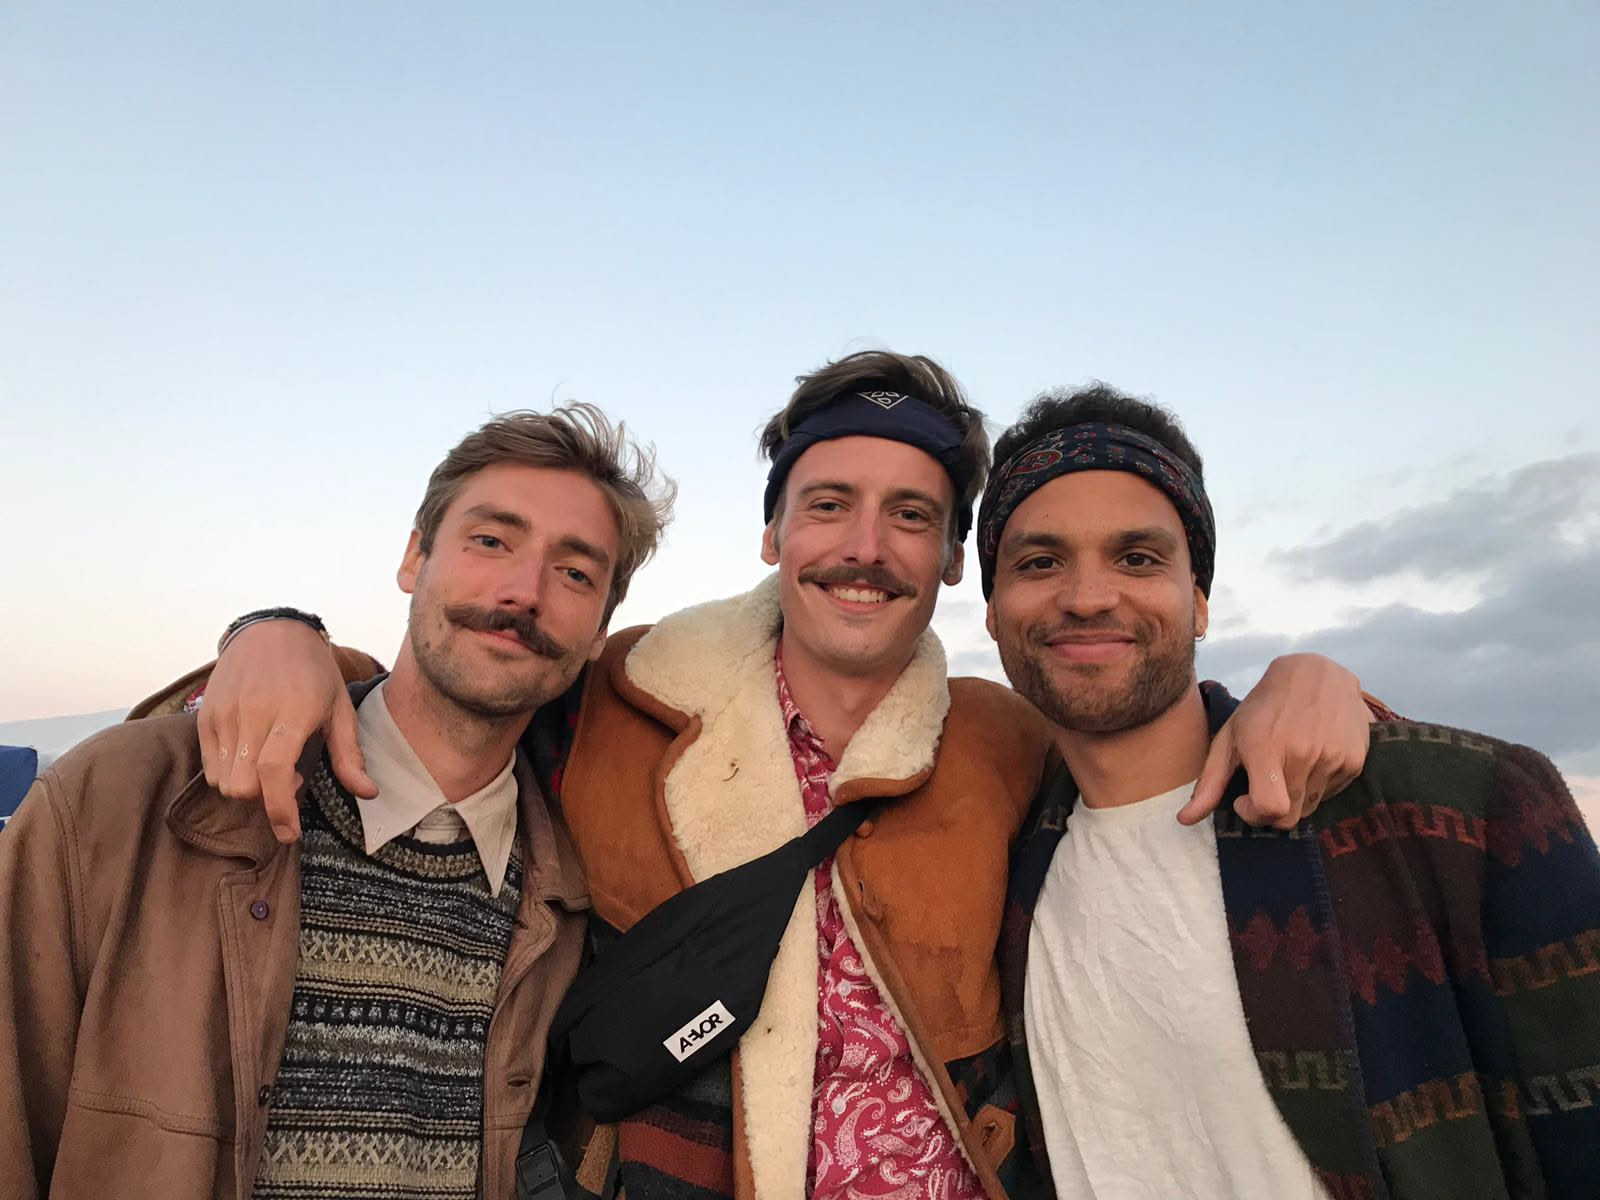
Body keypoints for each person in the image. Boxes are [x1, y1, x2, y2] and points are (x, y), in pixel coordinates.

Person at [164, 351, 1380, 1200]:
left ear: (953, 561)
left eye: (911, 516)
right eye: (828, 504)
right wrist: (279, 638)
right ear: (771, 533)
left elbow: (1148, 743)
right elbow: (460, 684)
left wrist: (1309, 683)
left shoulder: (1002, 740)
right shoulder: (622, 695)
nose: (864, 548)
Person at [0, 404, 674, 1200]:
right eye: (491, 540)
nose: (523, 591)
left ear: (599, 634)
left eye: (575, 573)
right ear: (414, 557)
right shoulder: (124, 800)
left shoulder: (575, 902)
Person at [981, 385, 1600, 1199]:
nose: (1088, 596)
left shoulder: (1458, 812)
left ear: (1199, 603)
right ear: (991, 611)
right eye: (1039, 562)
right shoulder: (1004, 856)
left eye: (1138, 558)